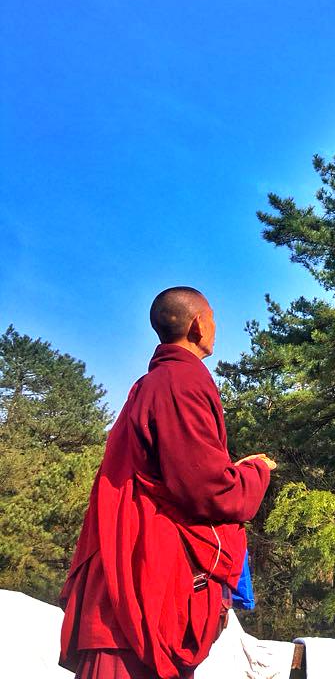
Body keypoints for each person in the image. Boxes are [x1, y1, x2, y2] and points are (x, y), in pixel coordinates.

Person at [59, 287, 275, 679]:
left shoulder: (153, 382)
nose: (215, 327)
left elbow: (176, 470)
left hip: (127, 569)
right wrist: (253, 473)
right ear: (197, 325)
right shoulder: (181, 381)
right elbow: (206, 489)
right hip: (145, 581)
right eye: (212, 318)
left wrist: (228, 469)